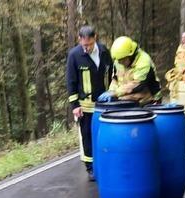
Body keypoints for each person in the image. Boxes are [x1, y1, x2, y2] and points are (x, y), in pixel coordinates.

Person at [66, 25, 113, 180]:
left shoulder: (104, 51)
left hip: (104, 104)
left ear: (95, 38)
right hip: (85, 105)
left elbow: (112, 72)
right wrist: (75, 106)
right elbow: (71, 81)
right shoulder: (74, 55)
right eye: (84, 45)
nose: (86, 48)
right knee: (87, 135)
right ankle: (90, 167)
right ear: (79, 40)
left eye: (90, 44)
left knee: (104, 135)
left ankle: (104, 163)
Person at [98, 36, 162, 106]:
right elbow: (115, 79)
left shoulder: (143, 62)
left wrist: (115, 93)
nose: (120, 62)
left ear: (130, 55)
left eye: (122, 60)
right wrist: (111, 91)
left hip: (149, 101)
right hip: (129, 100)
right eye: (118, 60)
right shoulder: (118, 60)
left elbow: (137, 85)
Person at [166, 32, 185, 102]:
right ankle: (174, 98)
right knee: (171, 77)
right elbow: (177, 57)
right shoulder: (180, 47)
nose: (183, 39)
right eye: (182, 37)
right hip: (178, 69)